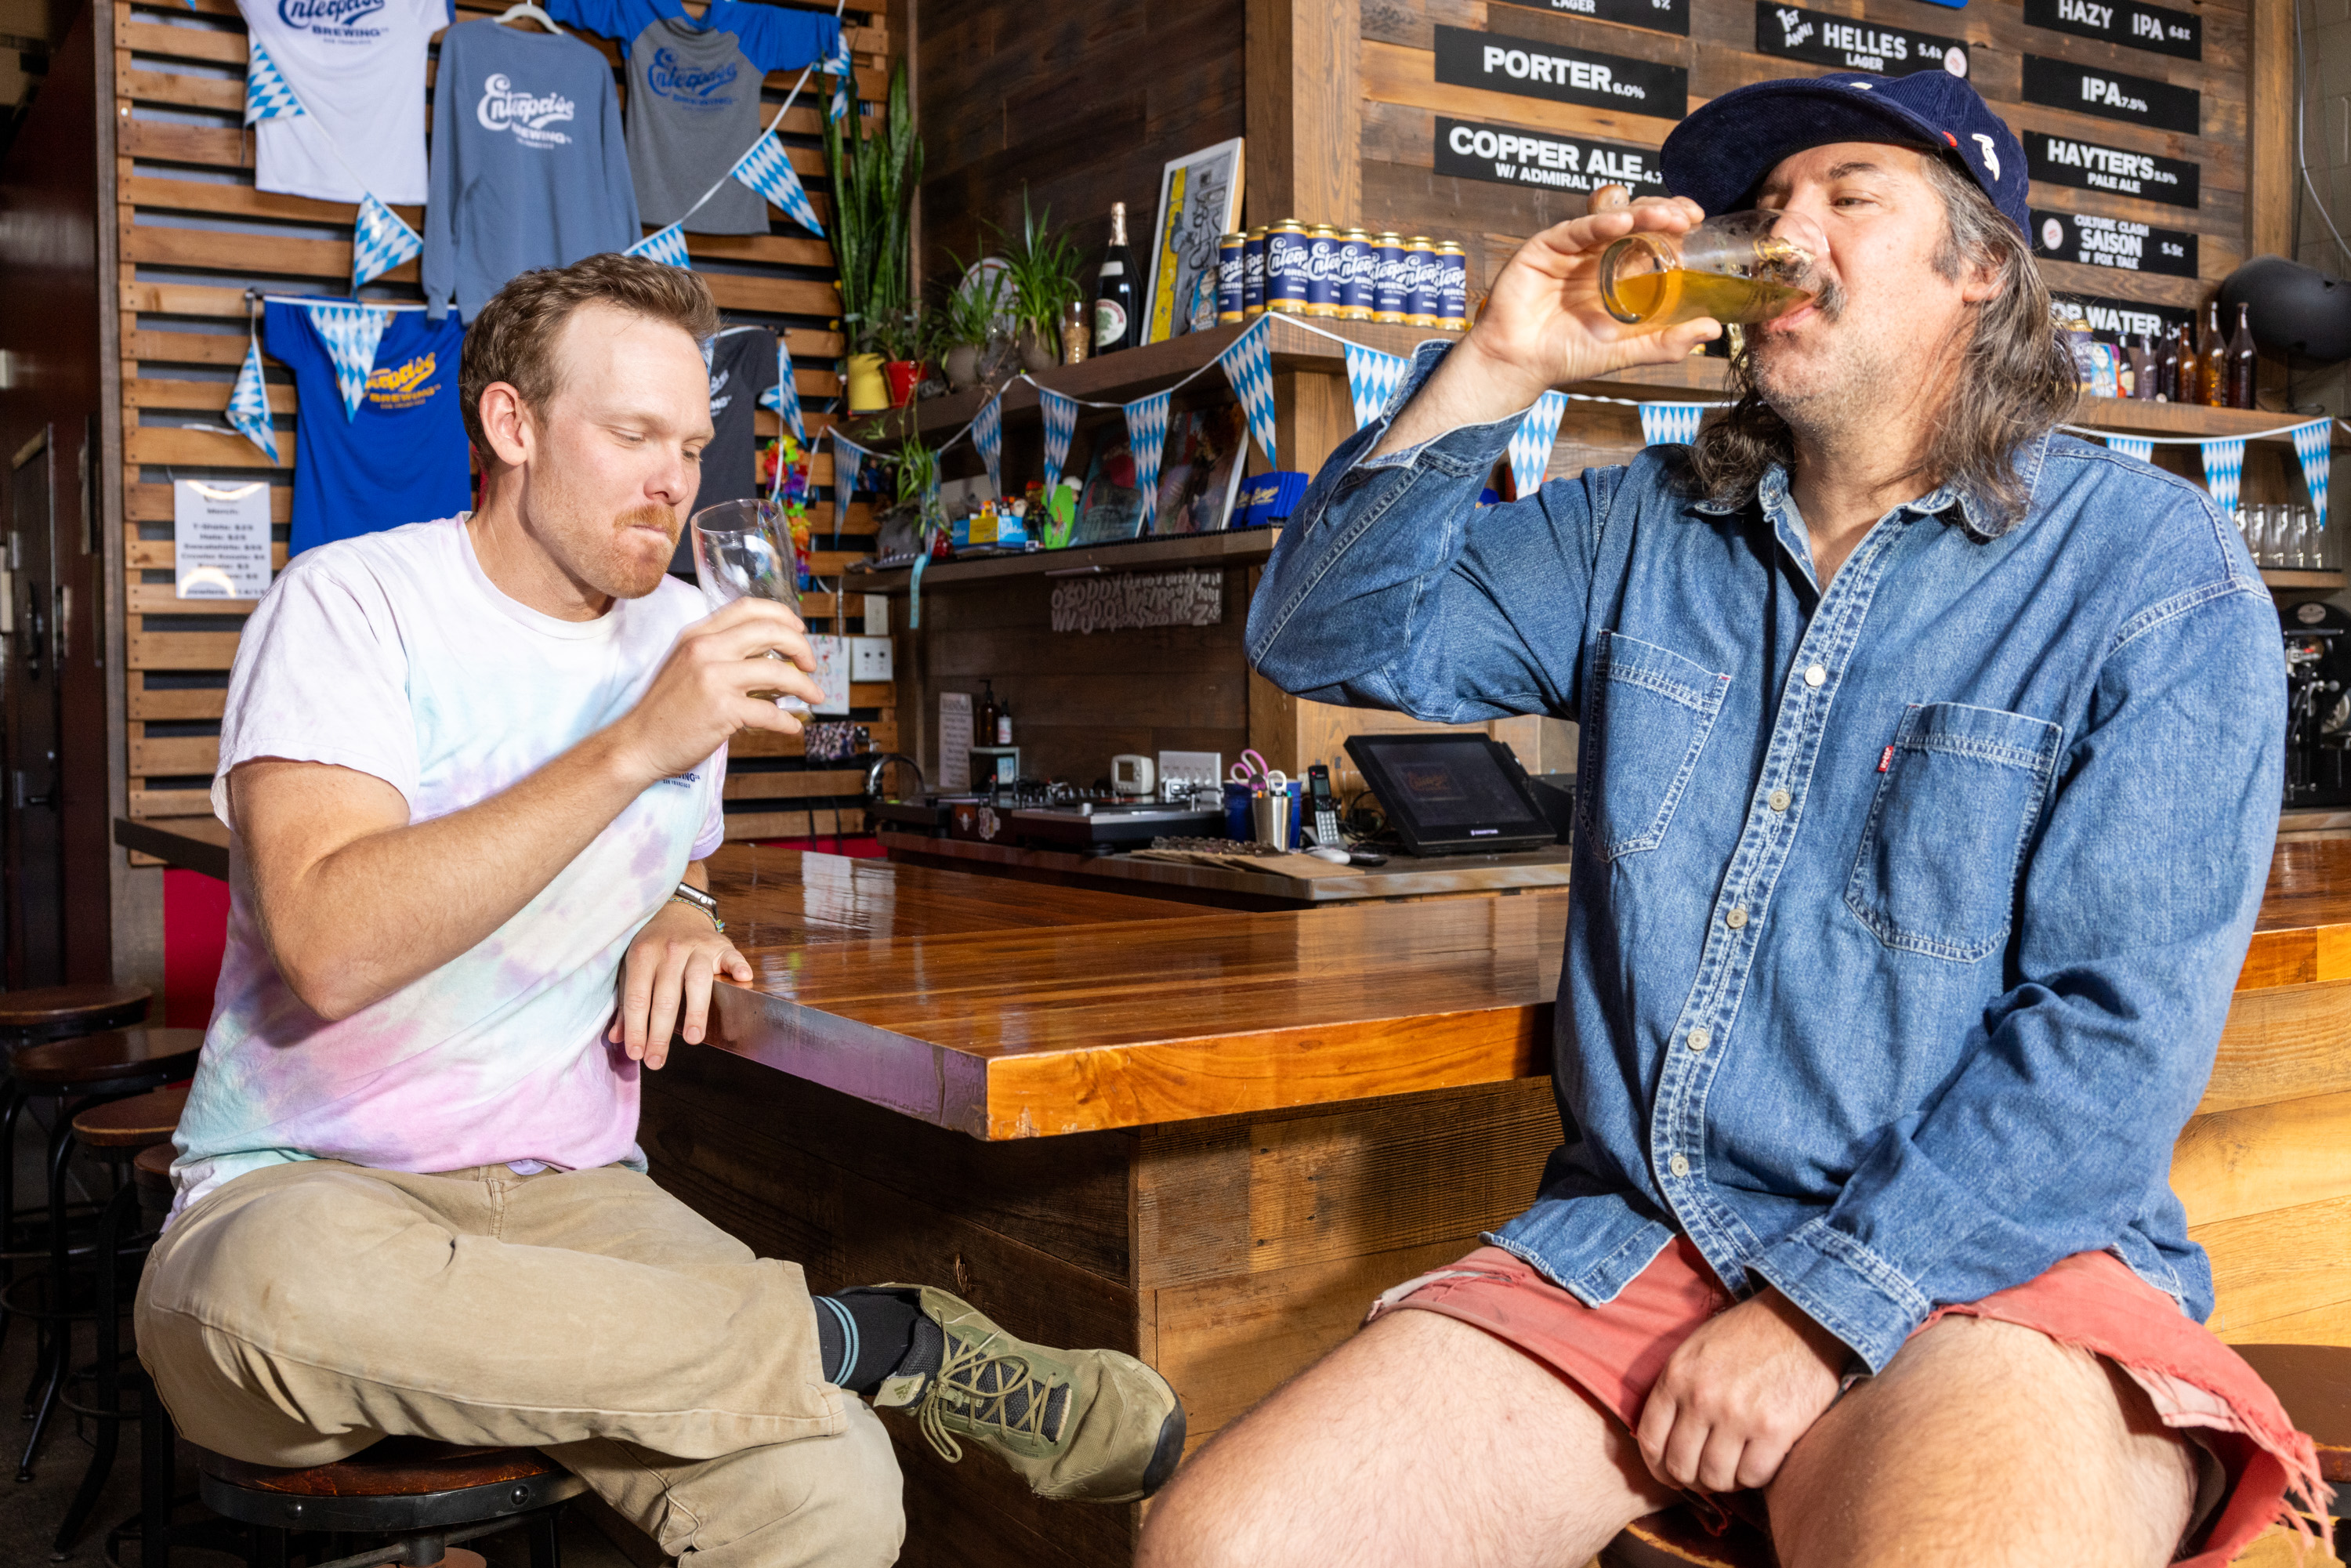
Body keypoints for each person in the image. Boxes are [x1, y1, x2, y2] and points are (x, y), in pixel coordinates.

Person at [1139, 72, 2318, 1568]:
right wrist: (1500, 362)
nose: (1786, 233)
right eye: (1768, 210)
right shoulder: (1638, 518)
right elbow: (1317, 635)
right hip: (1649, 1239)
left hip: (1984, 1262)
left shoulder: (2151, 565)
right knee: (1222, 1549)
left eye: (1849, 196)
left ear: (1983, 267)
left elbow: (2114, 1032)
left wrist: (1825, 1308)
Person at [136, 253, 1184, 1568]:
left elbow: (677, 842)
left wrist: (682, 905)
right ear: (511, 426)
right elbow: (333, 947)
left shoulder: (688, 629)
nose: (675, 478)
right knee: (262, 1299)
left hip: (569, 1193)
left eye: (692, 443)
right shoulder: (351, 606)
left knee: (833, 1487)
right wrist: (639, 740)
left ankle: (843, 1352)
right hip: (305, 1190)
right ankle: (879, 1337)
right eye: (633, 434)